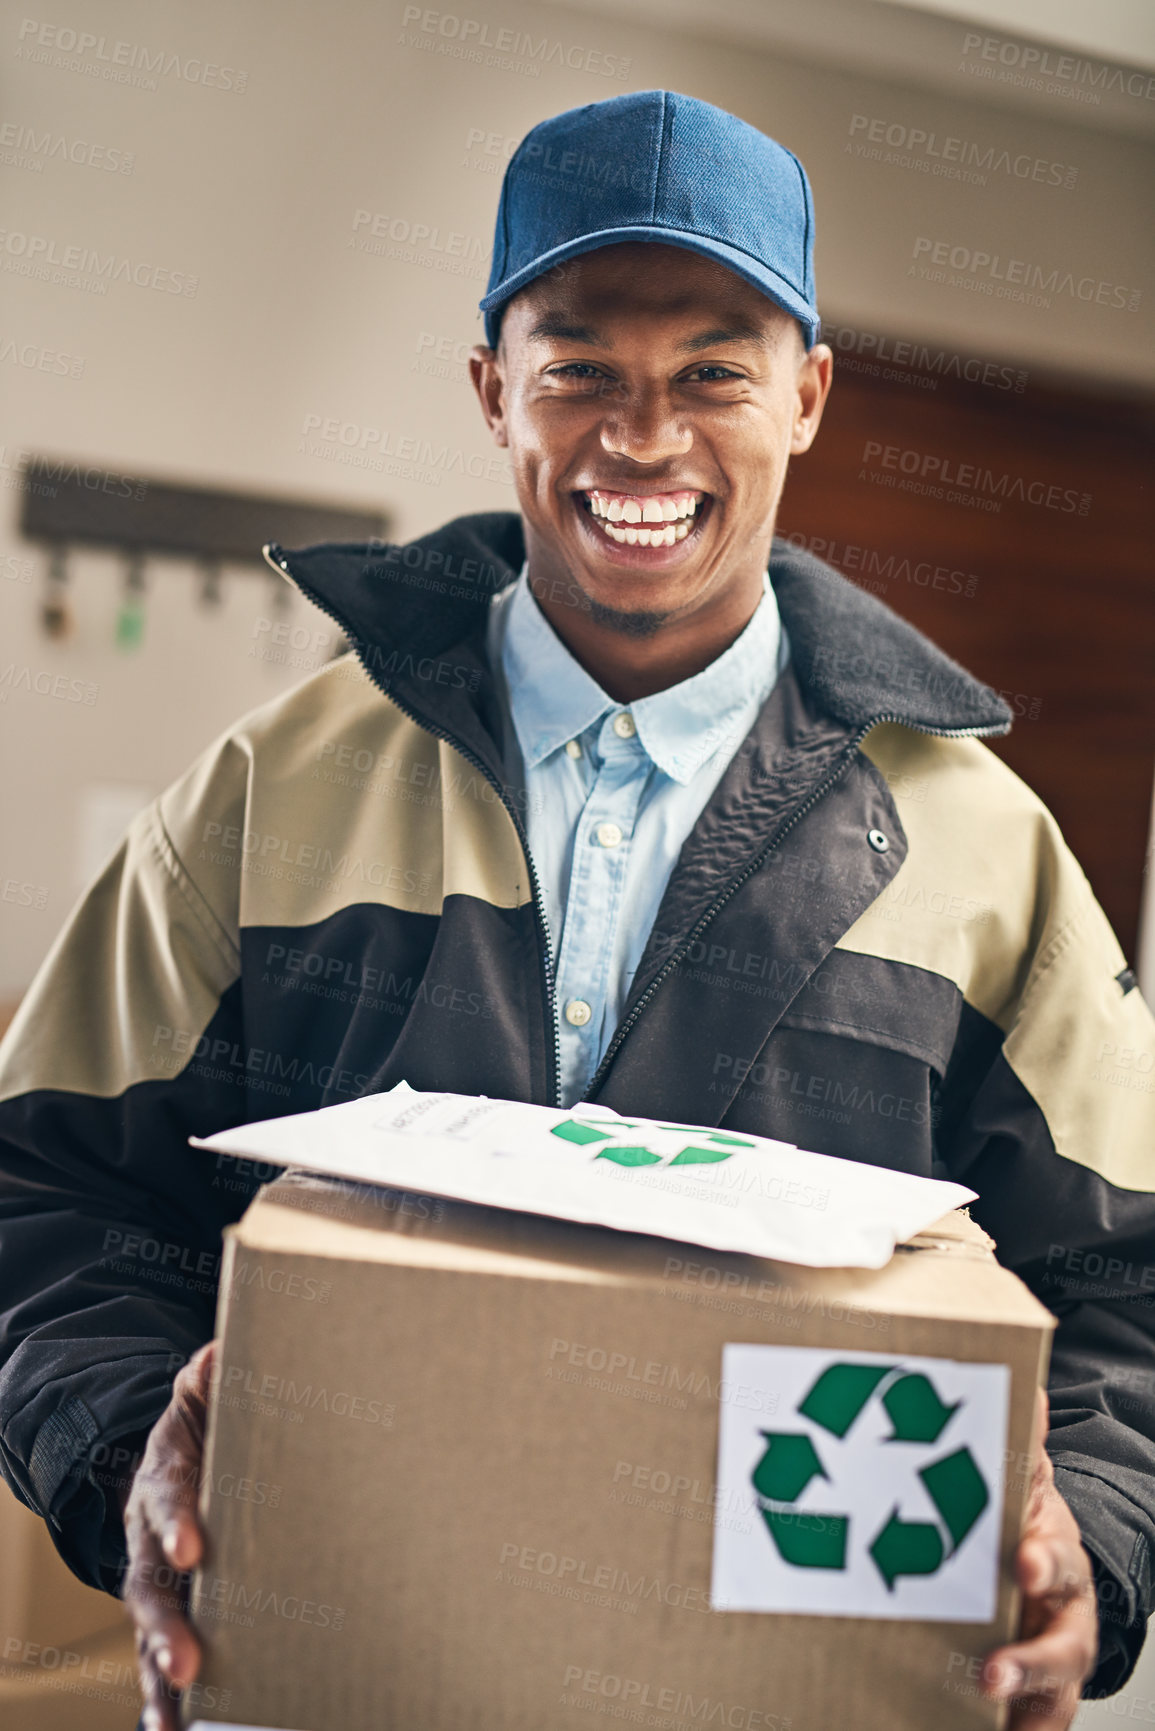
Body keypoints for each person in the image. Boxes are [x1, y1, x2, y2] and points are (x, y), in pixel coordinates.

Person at [0, 89, 1151, 1731]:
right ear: (493, 394)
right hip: (339, 1671)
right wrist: (132, 1440)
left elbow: (1127, 1294)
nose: (645, 438)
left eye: (714, 373)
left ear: (809, 397)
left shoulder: (987, 856)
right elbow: (45, 1184)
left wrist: (1089, 1538)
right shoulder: (274, 789)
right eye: (580, 370)